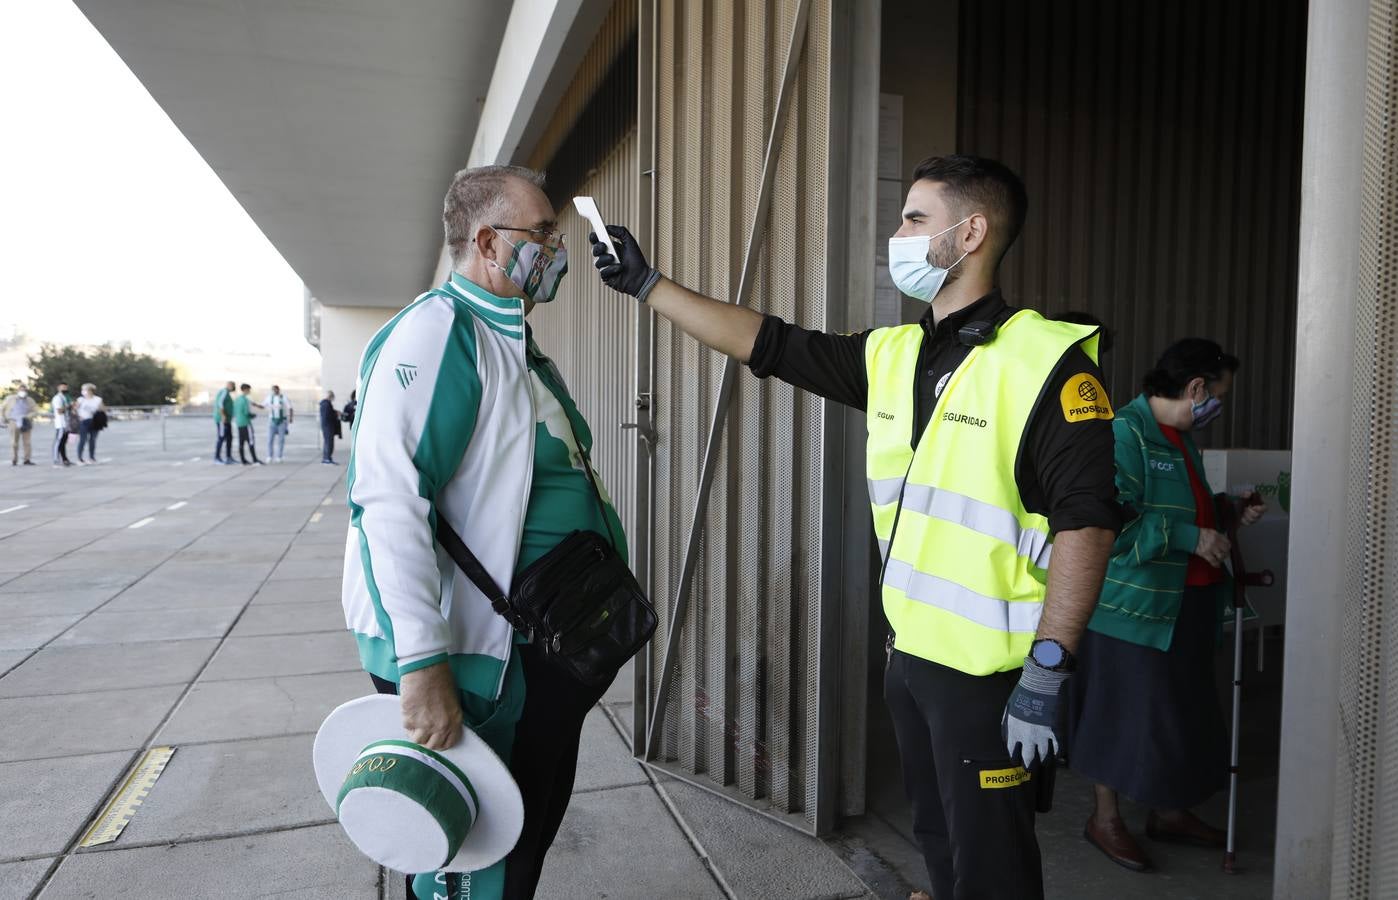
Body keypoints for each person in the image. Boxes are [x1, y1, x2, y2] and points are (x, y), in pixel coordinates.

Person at [590, 154, 1121, 900]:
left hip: (991, 679)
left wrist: (1048, 669)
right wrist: (649, 286)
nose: (896, 234)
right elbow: (767, 342)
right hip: (909, 659)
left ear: (969, 234)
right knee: (938, 840)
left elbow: (1088, 525)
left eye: (913, 219)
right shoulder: (896, 354)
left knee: (993, 865)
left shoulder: (1048, 364)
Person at [342, 164, 625, 900]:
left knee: (521, 832)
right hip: (471, 652)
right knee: (468, 853)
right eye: (543, 235)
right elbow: (389, 501)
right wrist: (422, 662)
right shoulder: (437, 336)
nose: (556, 251)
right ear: (489, 242)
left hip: (534, 639)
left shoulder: (507, 336)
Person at [1066, 338, 1263, 872]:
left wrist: (1227, 512)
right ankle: (1104, 819)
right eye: (1216, 394)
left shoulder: (1180, 439)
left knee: (1181, 716)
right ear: (1195, 388)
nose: (1215, 405)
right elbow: (1114, 523)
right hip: (1133, 611)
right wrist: (1191, 538)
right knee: (1120, 716)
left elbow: (1188, 508)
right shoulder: (1125, 432)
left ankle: (1168, 812)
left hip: (1188, 605)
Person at [2, 385, 38, 466]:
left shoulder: (30, 400)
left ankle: (27, 459)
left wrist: (28, 416)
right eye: (21, 390)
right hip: (13, 421)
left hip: (25, 421)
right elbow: (2, 408)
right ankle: (14, 459)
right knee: (14, 442)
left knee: (27, 442)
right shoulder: (10, 399)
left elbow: (35, 411)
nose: (23, 392)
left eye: (24, 390)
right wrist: (4, 418)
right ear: (18, 391)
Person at [233, 383, 264, 465]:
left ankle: (243, 460)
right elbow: (247, 413)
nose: (249, 391)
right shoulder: (244, 400)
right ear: (246, 390)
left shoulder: (237, 399)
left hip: (239, 423)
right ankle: (254, 459)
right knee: (251, 441)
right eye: (249, 390)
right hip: (246, 423)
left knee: (241, 442)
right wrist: (253, 415)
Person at [74, 383, 105, 465]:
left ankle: (91, 458)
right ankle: (79, 459)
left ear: (91, 391)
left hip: (94, 422)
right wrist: (78, 416)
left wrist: (99, 411)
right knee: (82, 440)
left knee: (92, 440)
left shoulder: (97, 399)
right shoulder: (80, 399)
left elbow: (103, 409)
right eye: (83, 390)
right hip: (83, 421)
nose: (83, 391)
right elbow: (74, 410)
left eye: (85, 389)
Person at [264, 384, 293, 462]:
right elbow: (263, 405)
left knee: (281, 439)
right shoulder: (269, 398)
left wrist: (291, 418)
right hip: (272, 420)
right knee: (270, 439)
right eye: (273, 390)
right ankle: (269, 456)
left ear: (278, 390)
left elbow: (290, 407)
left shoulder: (284, 398)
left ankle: (279, 456)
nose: (275, 391)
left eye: (276, 389)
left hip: (282, 421)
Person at [50, 382, 73, 467]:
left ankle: (64, 459)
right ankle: (56, 459)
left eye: (66, 387)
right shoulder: (57, 398)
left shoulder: (64, 397)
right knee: (58, 441)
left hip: (66, 423)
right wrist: (68, 406)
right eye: (63, 387)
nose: (65, 389)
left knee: (63, 442)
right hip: (60, 423)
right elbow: (59, 411)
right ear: (58, 388)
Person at [213, 380, 235, 465]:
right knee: (221, 438)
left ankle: (228, 457)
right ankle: (217, 458)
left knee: (229, 437)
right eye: (233, 386)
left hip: (227, 420)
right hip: (222, 420)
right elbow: (220, 403)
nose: (234, 388)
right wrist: (223, 416)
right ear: (229, 385)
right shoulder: (224, 392)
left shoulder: (227, 393)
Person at [319, 391, 339, 465]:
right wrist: (335, 414)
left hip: (326, 426)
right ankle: (327, 458)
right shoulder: (326, 404)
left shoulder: (324, 404)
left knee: (327, 442)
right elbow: (328, 416)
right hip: (328, 426)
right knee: (329, 443)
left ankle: (327, 458)